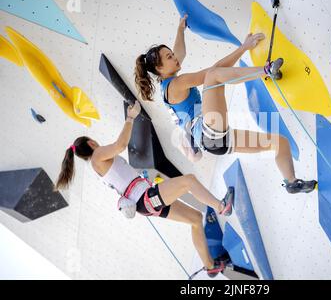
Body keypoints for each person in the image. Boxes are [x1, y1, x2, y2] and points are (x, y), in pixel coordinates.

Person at [135, 15, 317, 194]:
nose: (175, 58)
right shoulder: (176, 84)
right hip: (208, 132)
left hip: (216, 142)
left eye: (172, 54)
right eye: (169, 57)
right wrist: (244, 48)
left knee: (280, 143)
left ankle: (291, 182)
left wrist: (180, 30)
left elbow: (180, 51)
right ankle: (267, 71)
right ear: (159, 68)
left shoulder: (166, 80)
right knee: (213, 76)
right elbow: (213, 72)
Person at [55, 101, 234, 277]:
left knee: (195, 219)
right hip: (146, 199)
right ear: (91, 143)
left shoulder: (96, 166)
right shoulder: (97, 156)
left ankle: (209, 266)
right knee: (188, 181)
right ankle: (221, 206)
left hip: (145, 202)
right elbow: (120, 146)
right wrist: (130, 118)